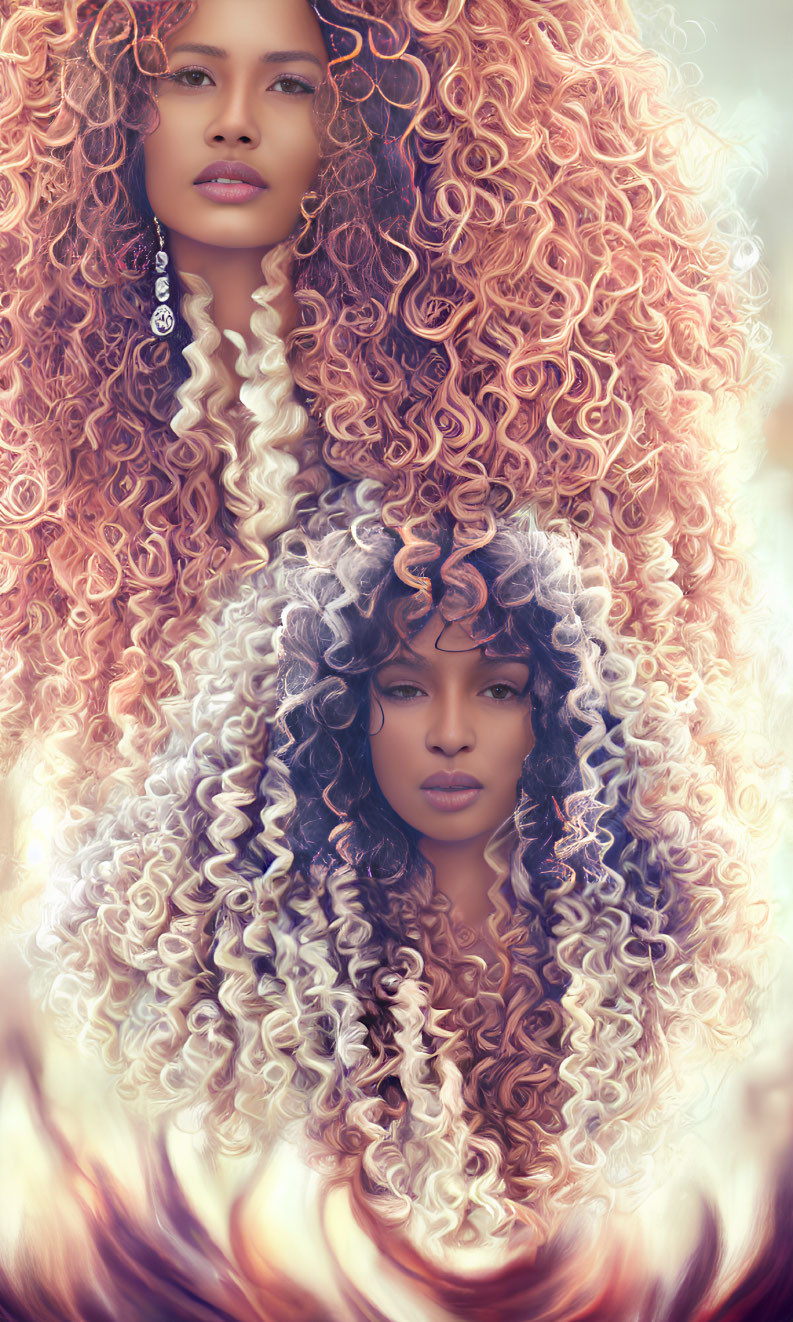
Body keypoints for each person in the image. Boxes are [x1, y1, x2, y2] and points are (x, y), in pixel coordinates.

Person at [0, 0, 770, 828]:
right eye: (191, 76)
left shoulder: (502, 444)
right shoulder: (51, 454)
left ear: (372, 115)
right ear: (108, 105)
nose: (233, 123)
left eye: (291, 84)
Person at [39, 487, 766, 1249]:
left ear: (552, 714)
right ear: (341, 710)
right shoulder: (245, 979)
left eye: (496, 689)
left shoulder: (655, 961)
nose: (450, 734)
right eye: (405, 688)